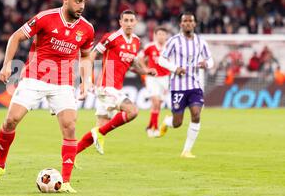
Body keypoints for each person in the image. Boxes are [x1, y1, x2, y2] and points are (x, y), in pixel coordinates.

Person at [0, 0, 95, 193]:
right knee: (11, 120)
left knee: (70, 126)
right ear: (66, 0)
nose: (81, 6)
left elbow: (87, 55)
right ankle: (0, 165)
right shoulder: (46, 18)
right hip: (35, 78)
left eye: (84, 2)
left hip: (63, 83)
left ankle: (67, 181)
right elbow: (16, 36)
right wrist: (8, 63)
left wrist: (86, 81)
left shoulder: (87, 28)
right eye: (78, 1)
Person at [76, 10, 157, 156]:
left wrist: (146, 71)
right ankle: (98, 133)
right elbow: (92, 55)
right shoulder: (111, 37)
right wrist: (86, 80)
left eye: (131, 20)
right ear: (120, 22)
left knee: (100, 128)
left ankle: (71, 155)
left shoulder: (136, 41)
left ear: (135, 22)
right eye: (125, 20)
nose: (128, 23)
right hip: (106, 87)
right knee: (132, 111)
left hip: (116, 88)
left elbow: (132, 65)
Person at [158, 13, 214, 158]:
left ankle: (186, 150)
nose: (188, 23)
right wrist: (175, 68)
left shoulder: (201, 42)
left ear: (195, 24)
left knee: (196, 114)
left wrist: (206, 63)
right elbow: (161, 60)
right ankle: (167, 121)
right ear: (181, 24)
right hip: (178, 86)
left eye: (191, 21)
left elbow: (211, 60)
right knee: (177, 123)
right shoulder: (174, 41)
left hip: (194, 85)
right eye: (185, 21)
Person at [140, 27, 171, 137]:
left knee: (158, 105)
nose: (161, 36)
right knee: (155, 101)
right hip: (152, 78)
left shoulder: (169, 47)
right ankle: (155, 128)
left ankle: (149, 126)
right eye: (159, 34)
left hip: (165, 78)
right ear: (155, 35)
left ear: (166, 36)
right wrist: (146, 70)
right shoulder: (150, 46)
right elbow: (140, 58)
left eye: (163, 34)